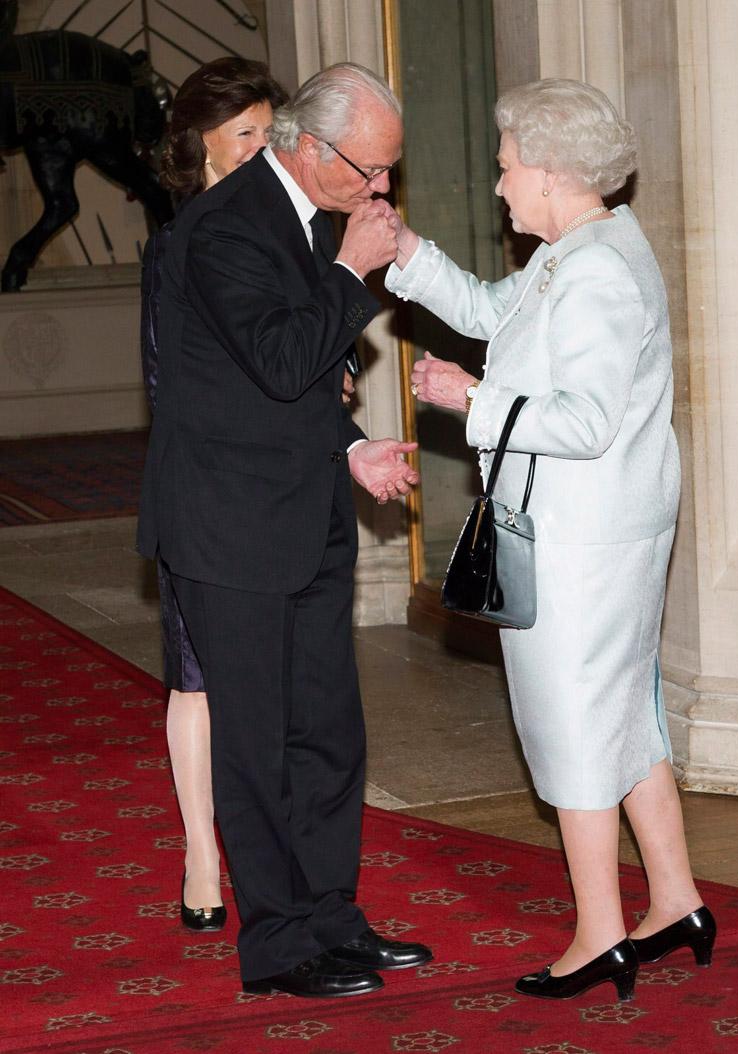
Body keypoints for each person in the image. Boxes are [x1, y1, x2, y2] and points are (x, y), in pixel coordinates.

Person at [385, 78, 715, 1002]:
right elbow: (494, 312)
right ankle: (675, 899)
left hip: (584, 541)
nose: (498, 186)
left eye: (506, 168)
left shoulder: (597, 269)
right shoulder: (578, 251)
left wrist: (473, 400)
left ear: (553, 172)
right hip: (595, 529)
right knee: (625, 716)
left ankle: (601, 933)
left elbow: (586, 421)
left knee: (571, 726)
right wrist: (406, 254)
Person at [137, 62, 431, 998]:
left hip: (302, 509)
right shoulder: (223, 226)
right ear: (308, 146)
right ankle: (277, 945)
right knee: (257, 747)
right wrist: (351, 270)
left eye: (388, 169)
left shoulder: (306, 217)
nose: (379, 186)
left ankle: (331, 919)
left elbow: (291, 388)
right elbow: (279, 360)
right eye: (368, 167)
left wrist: (350, 447)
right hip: (229, 527)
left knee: (328, 736)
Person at [141, 57, 288, 932]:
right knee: (195, 678)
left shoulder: (289, 232)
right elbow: (168, 379)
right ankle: (203, 855)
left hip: (283, 491)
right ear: (200, 144)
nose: (263, 148)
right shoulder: (178, 243)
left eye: (272, 132)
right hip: (204, 491)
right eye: (245, 134)